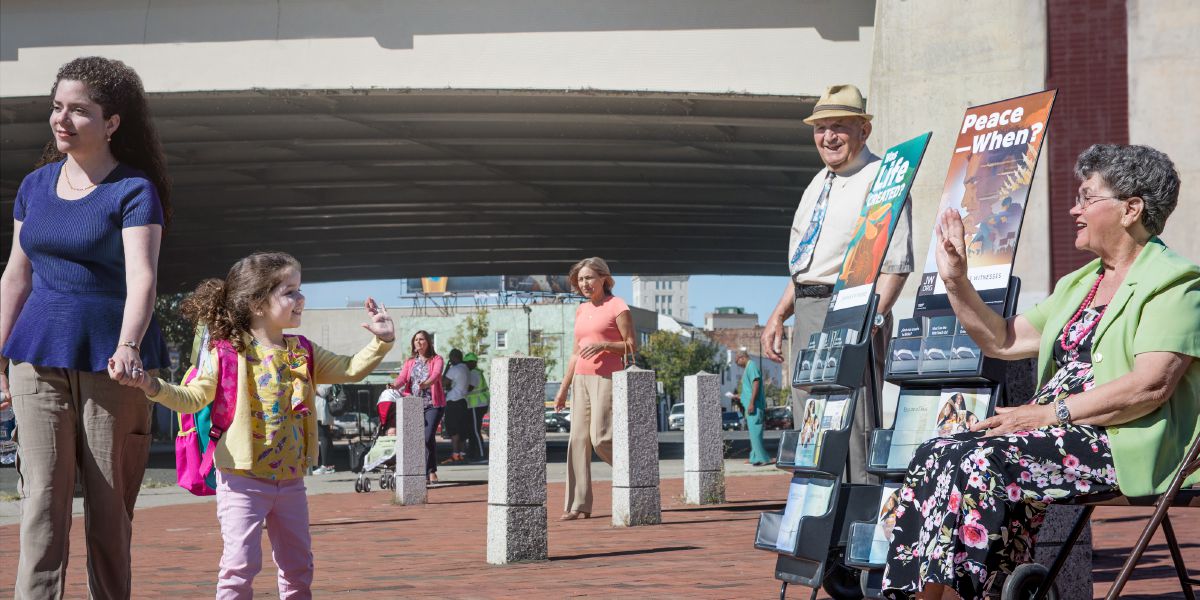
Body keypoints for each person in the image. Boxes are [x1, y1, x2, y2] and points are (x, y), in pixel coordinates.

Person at [882, 144, 1200, 600]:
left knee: (980, 461)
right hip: (1057, 431)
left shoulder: (1176, 282)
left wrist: (1049, 414)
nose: (1075, 209)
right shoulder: (1081, 283)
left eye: (1087, 197)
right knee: (937, 452)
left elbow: (1150, 386)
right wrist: (955, 281)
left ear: (1131, 209)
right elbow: (1002, 340)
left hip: (1121, 439)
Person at [125, 251, 395, 598]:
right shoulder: (227, 352)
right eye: (290, 291)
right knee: (239, 567)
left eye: (300, 289)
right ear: (256, 304)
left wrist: (381, 341)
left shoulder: (302, 351)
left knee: (298, 566)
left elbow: (350, 368)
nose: (301, 298)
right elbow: (192, 398)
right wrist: (152, 386)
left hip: (290, 480)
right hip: (241, 480)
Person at [0, 56, 172, 599]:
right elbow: (15, 276)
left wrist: (128, 344)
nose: (62, 119)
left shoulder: (134, 189)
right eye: (57, 107)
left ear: (112, 122)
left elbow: (143, 277)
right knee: (41, 504)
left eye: (79, 110)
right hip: (35, 355)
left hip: (112, 362)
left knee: (108, 507)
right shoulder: (35, 186)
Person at [760, 84, 914, 484]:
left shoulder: (882, 177)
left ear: (864, 129)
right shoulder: (818, 183)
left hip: (850, 308)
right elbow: (808, 264)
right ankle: (818, 510)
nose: (828, 136)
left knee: (854, 421)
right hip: (807, 310)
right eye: (820, 127)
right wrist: (778, 315)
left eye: (839, 126)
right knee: (812, 424)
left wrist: (870, 321)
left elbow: (895, 265)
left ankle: (859, 512)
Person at [553, 257, 636, 521]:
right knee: (577, 441)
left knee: (601, 438)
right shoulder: (581, 310)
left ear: (604, 278)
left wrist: (604, 346)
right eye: (580, 280)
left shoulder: (618, 305)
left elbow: (632, 345)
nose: (584, 283)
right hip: (581, 379)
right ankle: (578, 504)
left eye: (589, 277)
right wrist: (563, 388)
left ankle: (635, 473)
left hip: (607, 378)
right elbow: (575, 353)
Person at [393, 330, 446, 483]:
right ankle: (425, 471)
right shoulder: (410, 362)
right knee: (419, 439)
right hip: (414, 404)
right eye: (416, 340)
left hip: (433, 404)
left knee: (427, 436)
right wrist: (393, 385)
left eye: (421, 339)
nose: (418, 342)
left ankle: (430, 470)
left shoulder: (437, 359)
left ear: (428, 342)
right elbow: (402, 378)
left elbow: (436, 375)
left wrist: (426, 384)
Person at [732, 348, 772, 465]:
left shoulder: (751, 366)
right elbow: (748, 389)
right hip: (750, 405)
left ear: (742, 358)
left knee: (755, 433)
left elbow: (756, 384)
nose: (737, 364)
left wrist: (752, 403)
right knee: (753, 433)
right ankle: (754, 457)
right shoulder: (749, 368)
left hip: (754, 406)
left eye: (737, 361)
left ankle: (762, 458)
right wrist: (739, 396)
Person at [439, 348, 471, 465]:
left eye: (450, 358)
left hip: (453, 401)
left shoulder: (454, 369)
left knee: (454, 429)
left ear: (453, 358)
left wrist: (447, 367)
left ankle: (455, 455)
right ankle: (462, 455)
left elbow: (442, 382)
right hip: (463, 402)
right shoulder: (466, 369)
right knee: (462, 429)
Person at [463, 352, 490, 462]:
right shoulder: (474, 372)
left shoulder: (474, 373)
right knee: (472, 431)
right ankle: (473, 454)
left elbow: (468, 389)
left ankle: (481, 455)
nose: (465, 365)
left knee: (475, 431)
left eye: (467, 363)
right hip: (476, 405)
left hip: (476, 405)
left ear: (472, 363)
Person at [313, 384, 336, 474]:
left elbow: (322, 392)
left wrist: (310, 386)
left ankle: (325, 465)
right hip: (319, 409)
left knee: (323, 437)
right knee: (326, 437)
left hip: (321, 410)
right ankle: (329, 465)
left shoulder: (326, 379)